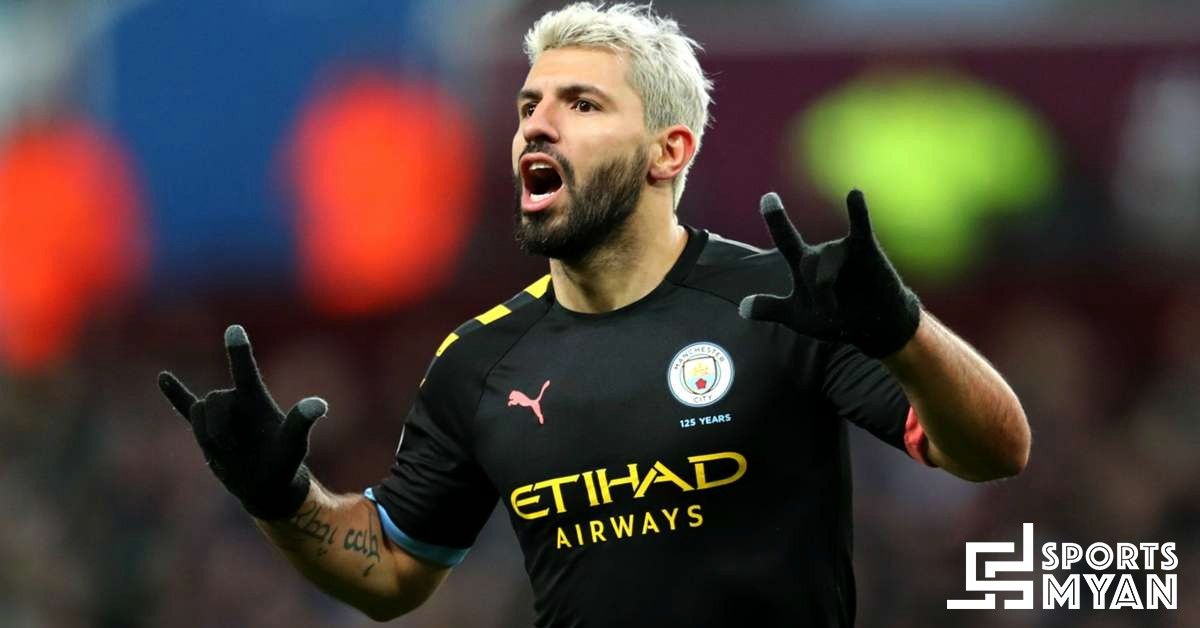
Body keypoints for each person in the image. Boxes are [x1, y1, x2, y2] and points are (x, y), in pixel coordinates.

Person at [158, 3, 1030, 626]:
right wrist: (283, 498)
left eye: (580, 104)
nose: (537, 127)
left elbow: (996, 450)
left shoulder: (782, 304)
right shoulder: (478, 361)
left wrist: (903, 330)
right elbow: (390, 572)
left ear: (668, 151)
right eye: (528, 107)